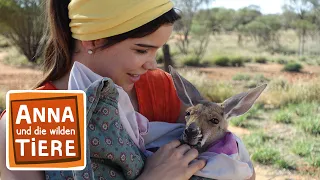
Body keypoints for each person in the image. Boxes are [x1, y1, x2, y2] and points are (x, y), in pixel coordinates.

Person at [0, 0, 255, 179]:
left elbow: (233, 163)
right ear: (93, 39)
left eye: (156, 50)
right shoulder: (38, 117)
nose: (151, 64)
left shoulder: (160, 86)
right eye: (141, 50)